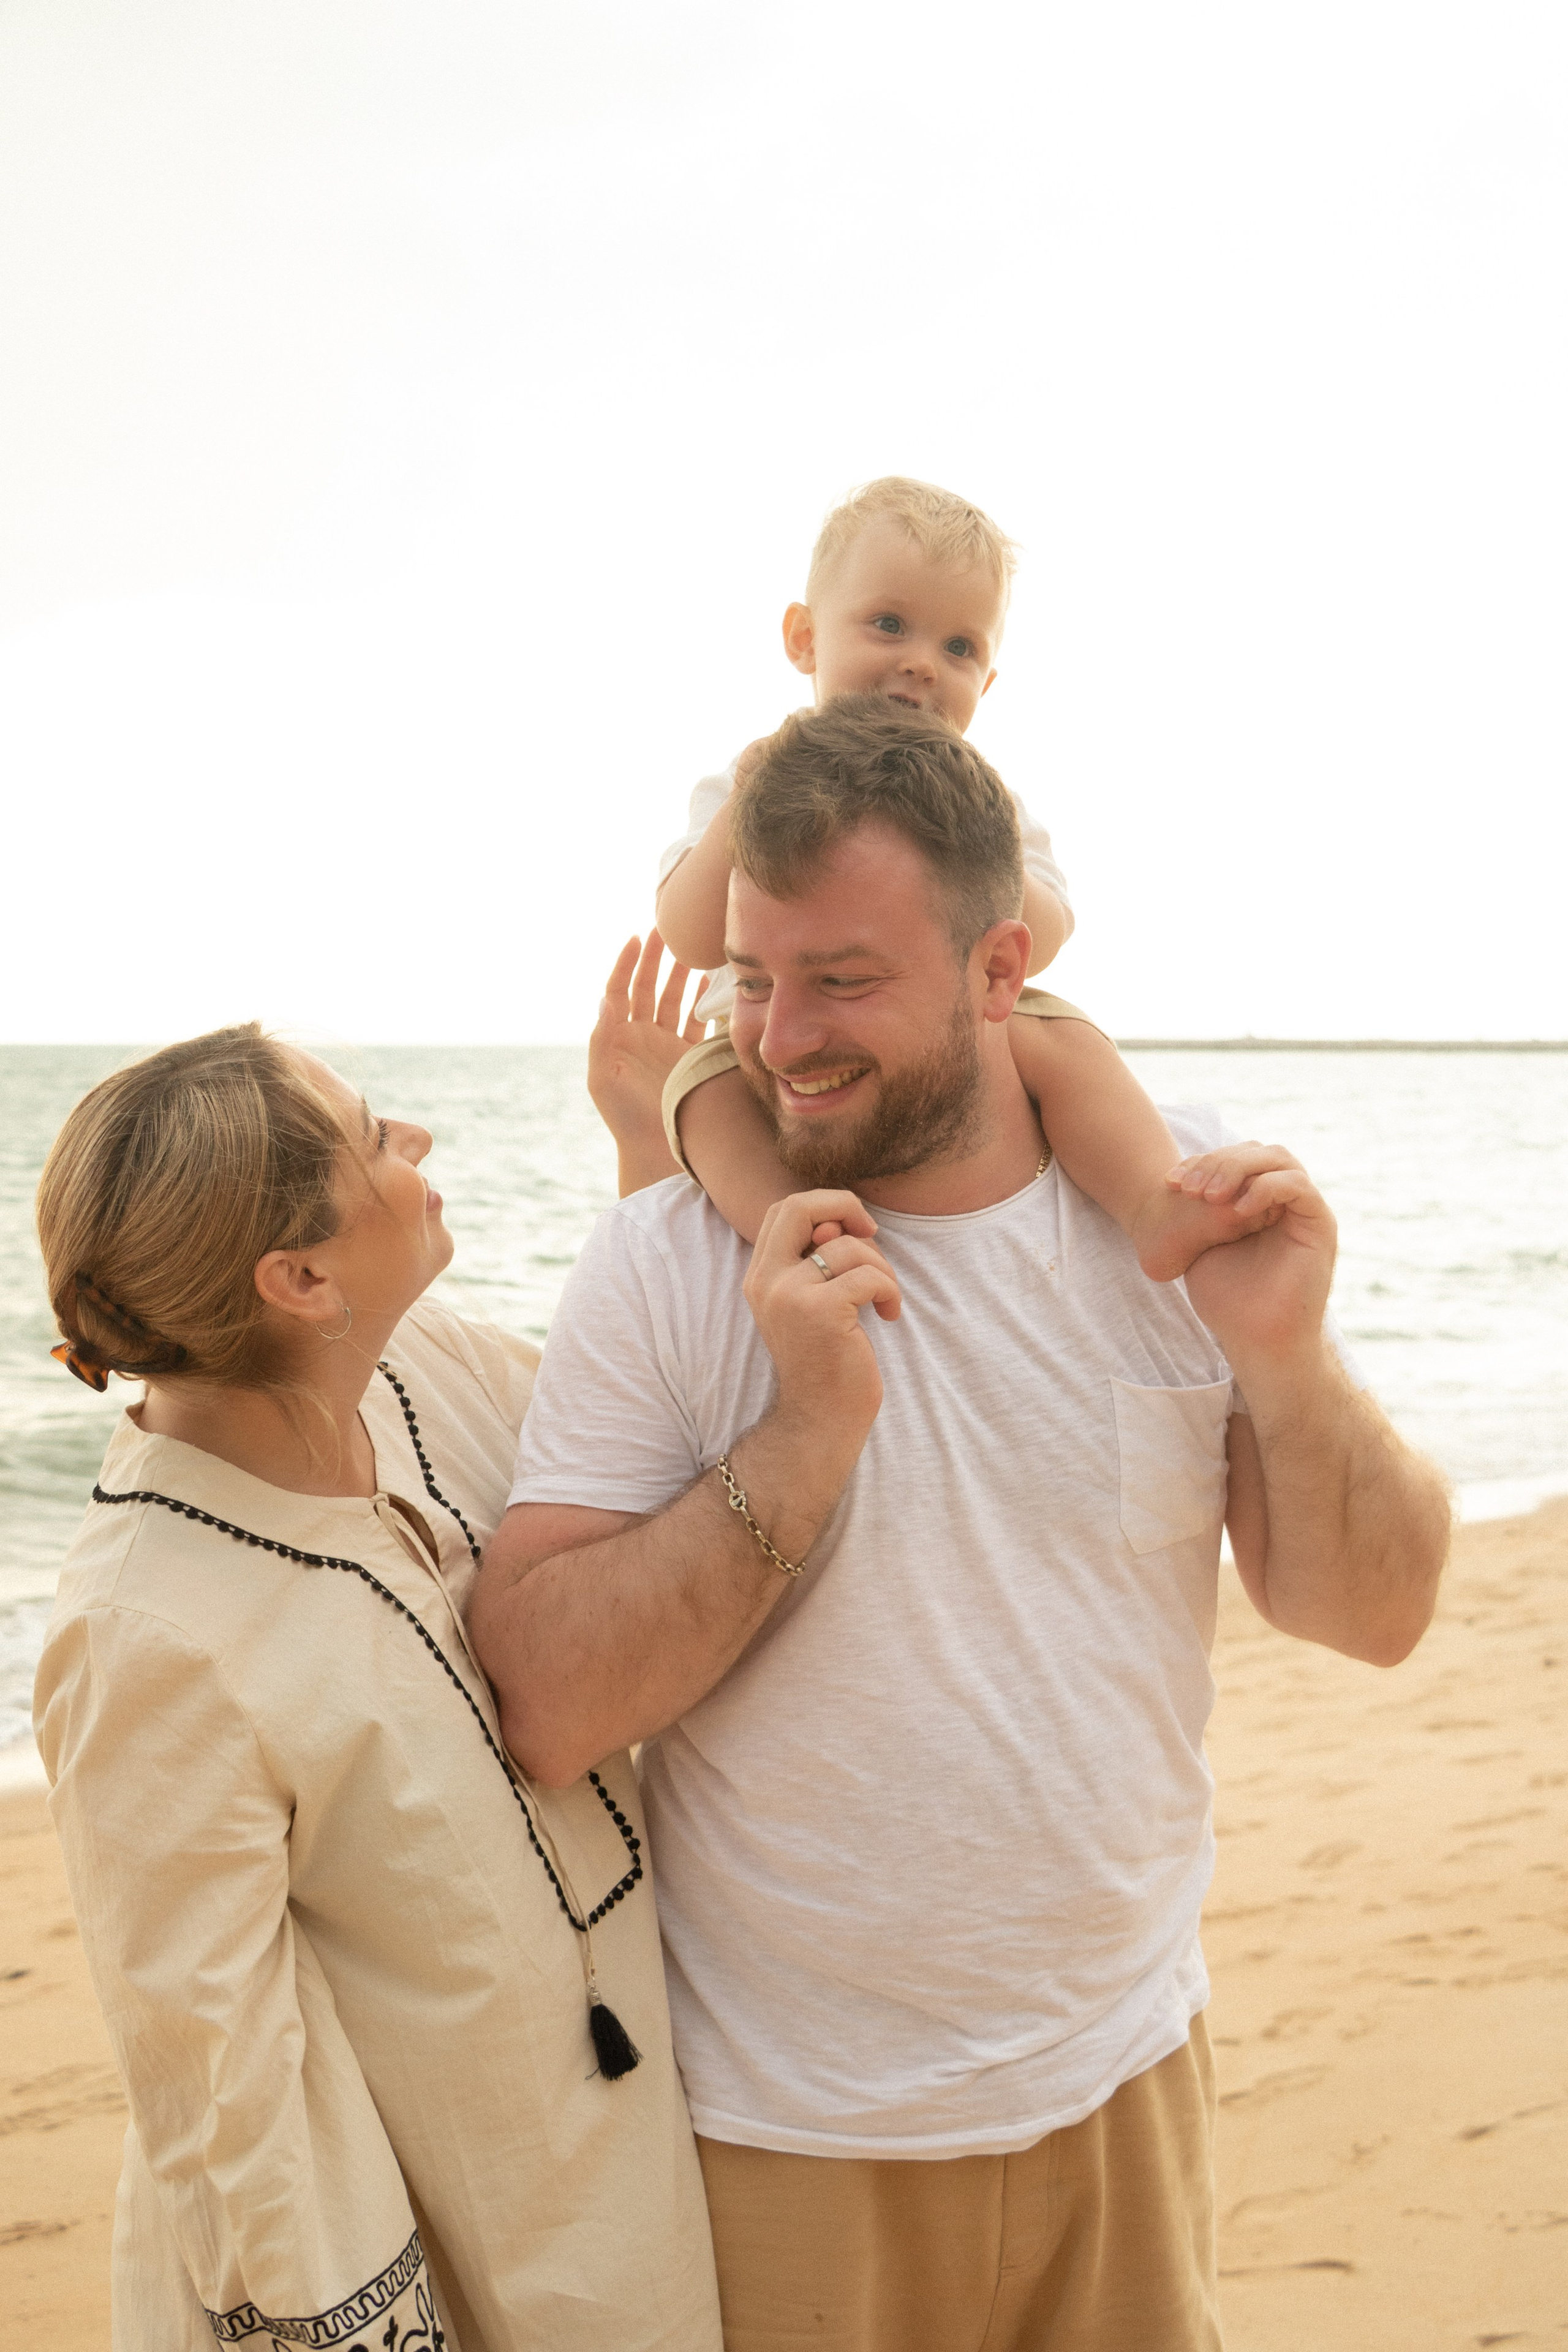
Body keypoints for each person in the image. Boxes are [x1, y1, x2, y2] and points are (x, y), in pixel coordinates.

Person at [472, 703, 1451, 2352]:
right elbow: (547, 1702)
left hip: (1125, 2077)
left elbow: (1379, 1609)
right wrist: (802, 1437)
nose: (782, 1039)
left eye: (843, 980)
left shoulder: (1181, 1201)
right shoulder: (667, 1262)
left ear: (1004, 970)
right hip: (789, 2135)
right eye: (751, 981)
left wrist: (1287, 1359)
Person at [32, 1026, 722, 2352]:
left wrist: (650, 1145)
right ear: (296, 1275)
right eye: (373, 1136)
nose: (417, 1145)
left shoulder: (428, 1373)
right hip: (452, 2262)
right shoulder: (142, 1635)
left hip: (624, 2191)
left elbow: (644, 1478)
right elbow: (226, 2098)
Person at [654, 472, 1255, 1279]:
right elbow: (690, 936)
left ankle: (1150, 1201)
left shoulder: (987, 798)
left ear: (989, 681)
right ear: (804, 638)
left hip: (952, 1016)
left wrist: (977, 840)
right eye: (889, 624)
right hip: (758, 1036)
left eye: (959, 647)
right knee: (701, 1094)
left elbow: (1040, 943)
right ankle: (799, 1244)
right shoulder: (750, 776)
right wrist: (745, 808)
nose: (922, 665)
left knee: (1063, 1035)